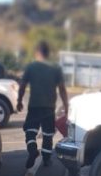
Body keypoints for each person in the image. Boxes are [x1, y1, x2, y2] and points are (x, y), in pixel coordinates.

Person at [16, 40, 69, 168]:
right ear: (48, 53)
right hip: (49, 107)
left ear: (37, 52)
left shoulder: (31, 67)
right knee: (47, 134)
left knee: (30, 131)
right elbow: (62, 88)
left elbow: (22, 86)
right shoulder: (56, 68)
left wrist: (19, 101)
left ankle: (33, 150)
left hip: (34, 106)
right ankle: (46, 159)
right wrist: (66, 105)